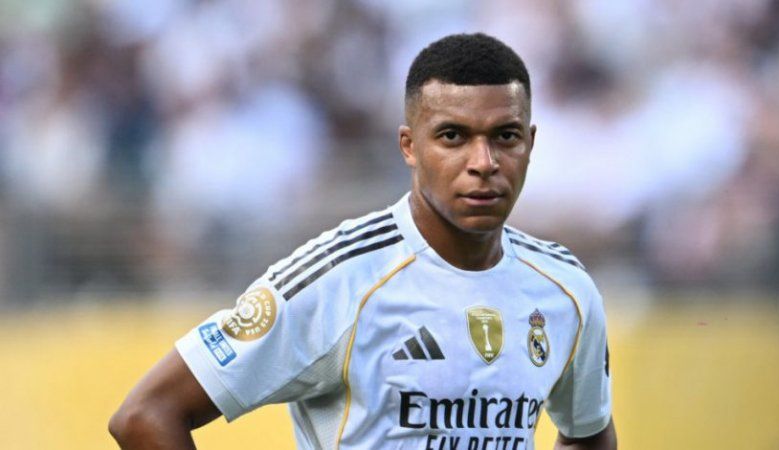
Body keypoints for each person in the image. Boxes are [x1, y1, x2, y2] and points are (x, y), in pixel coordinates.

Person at [109, 32, 616, 450]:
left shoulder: (565, 289)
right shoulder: (341, 277)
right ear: (409, 146)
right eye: (453, 137)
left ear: (530, 142)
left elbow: (589, 432)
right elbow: (145, 415)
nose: (483, 162)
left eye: (505, 136)